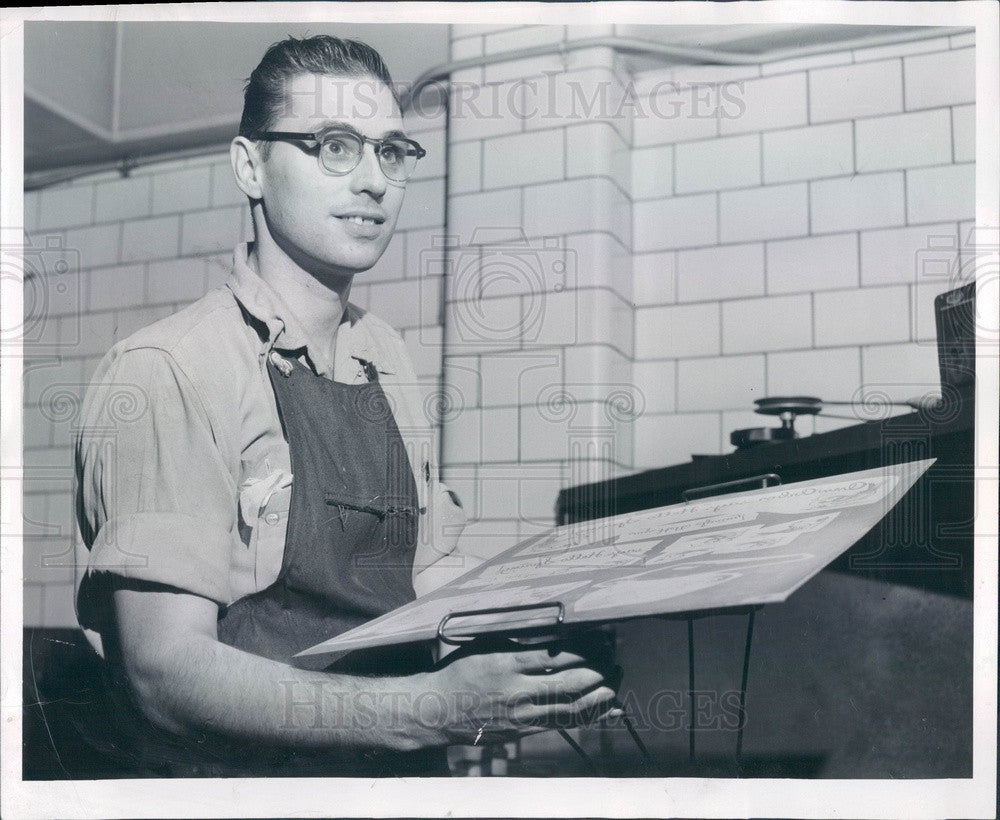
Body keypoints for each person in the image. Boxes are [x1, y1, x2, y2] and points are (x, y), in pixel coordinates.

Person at [73, 35, 619, 777]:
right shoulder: (172, 369)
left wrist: (583, 604)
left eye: (391, 152)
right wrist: (431, 708)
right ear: (250, 165)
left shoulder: (384, 358)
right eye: (334, 146)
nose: (373, 182)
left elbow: (418, 573)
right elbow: (163, 674)